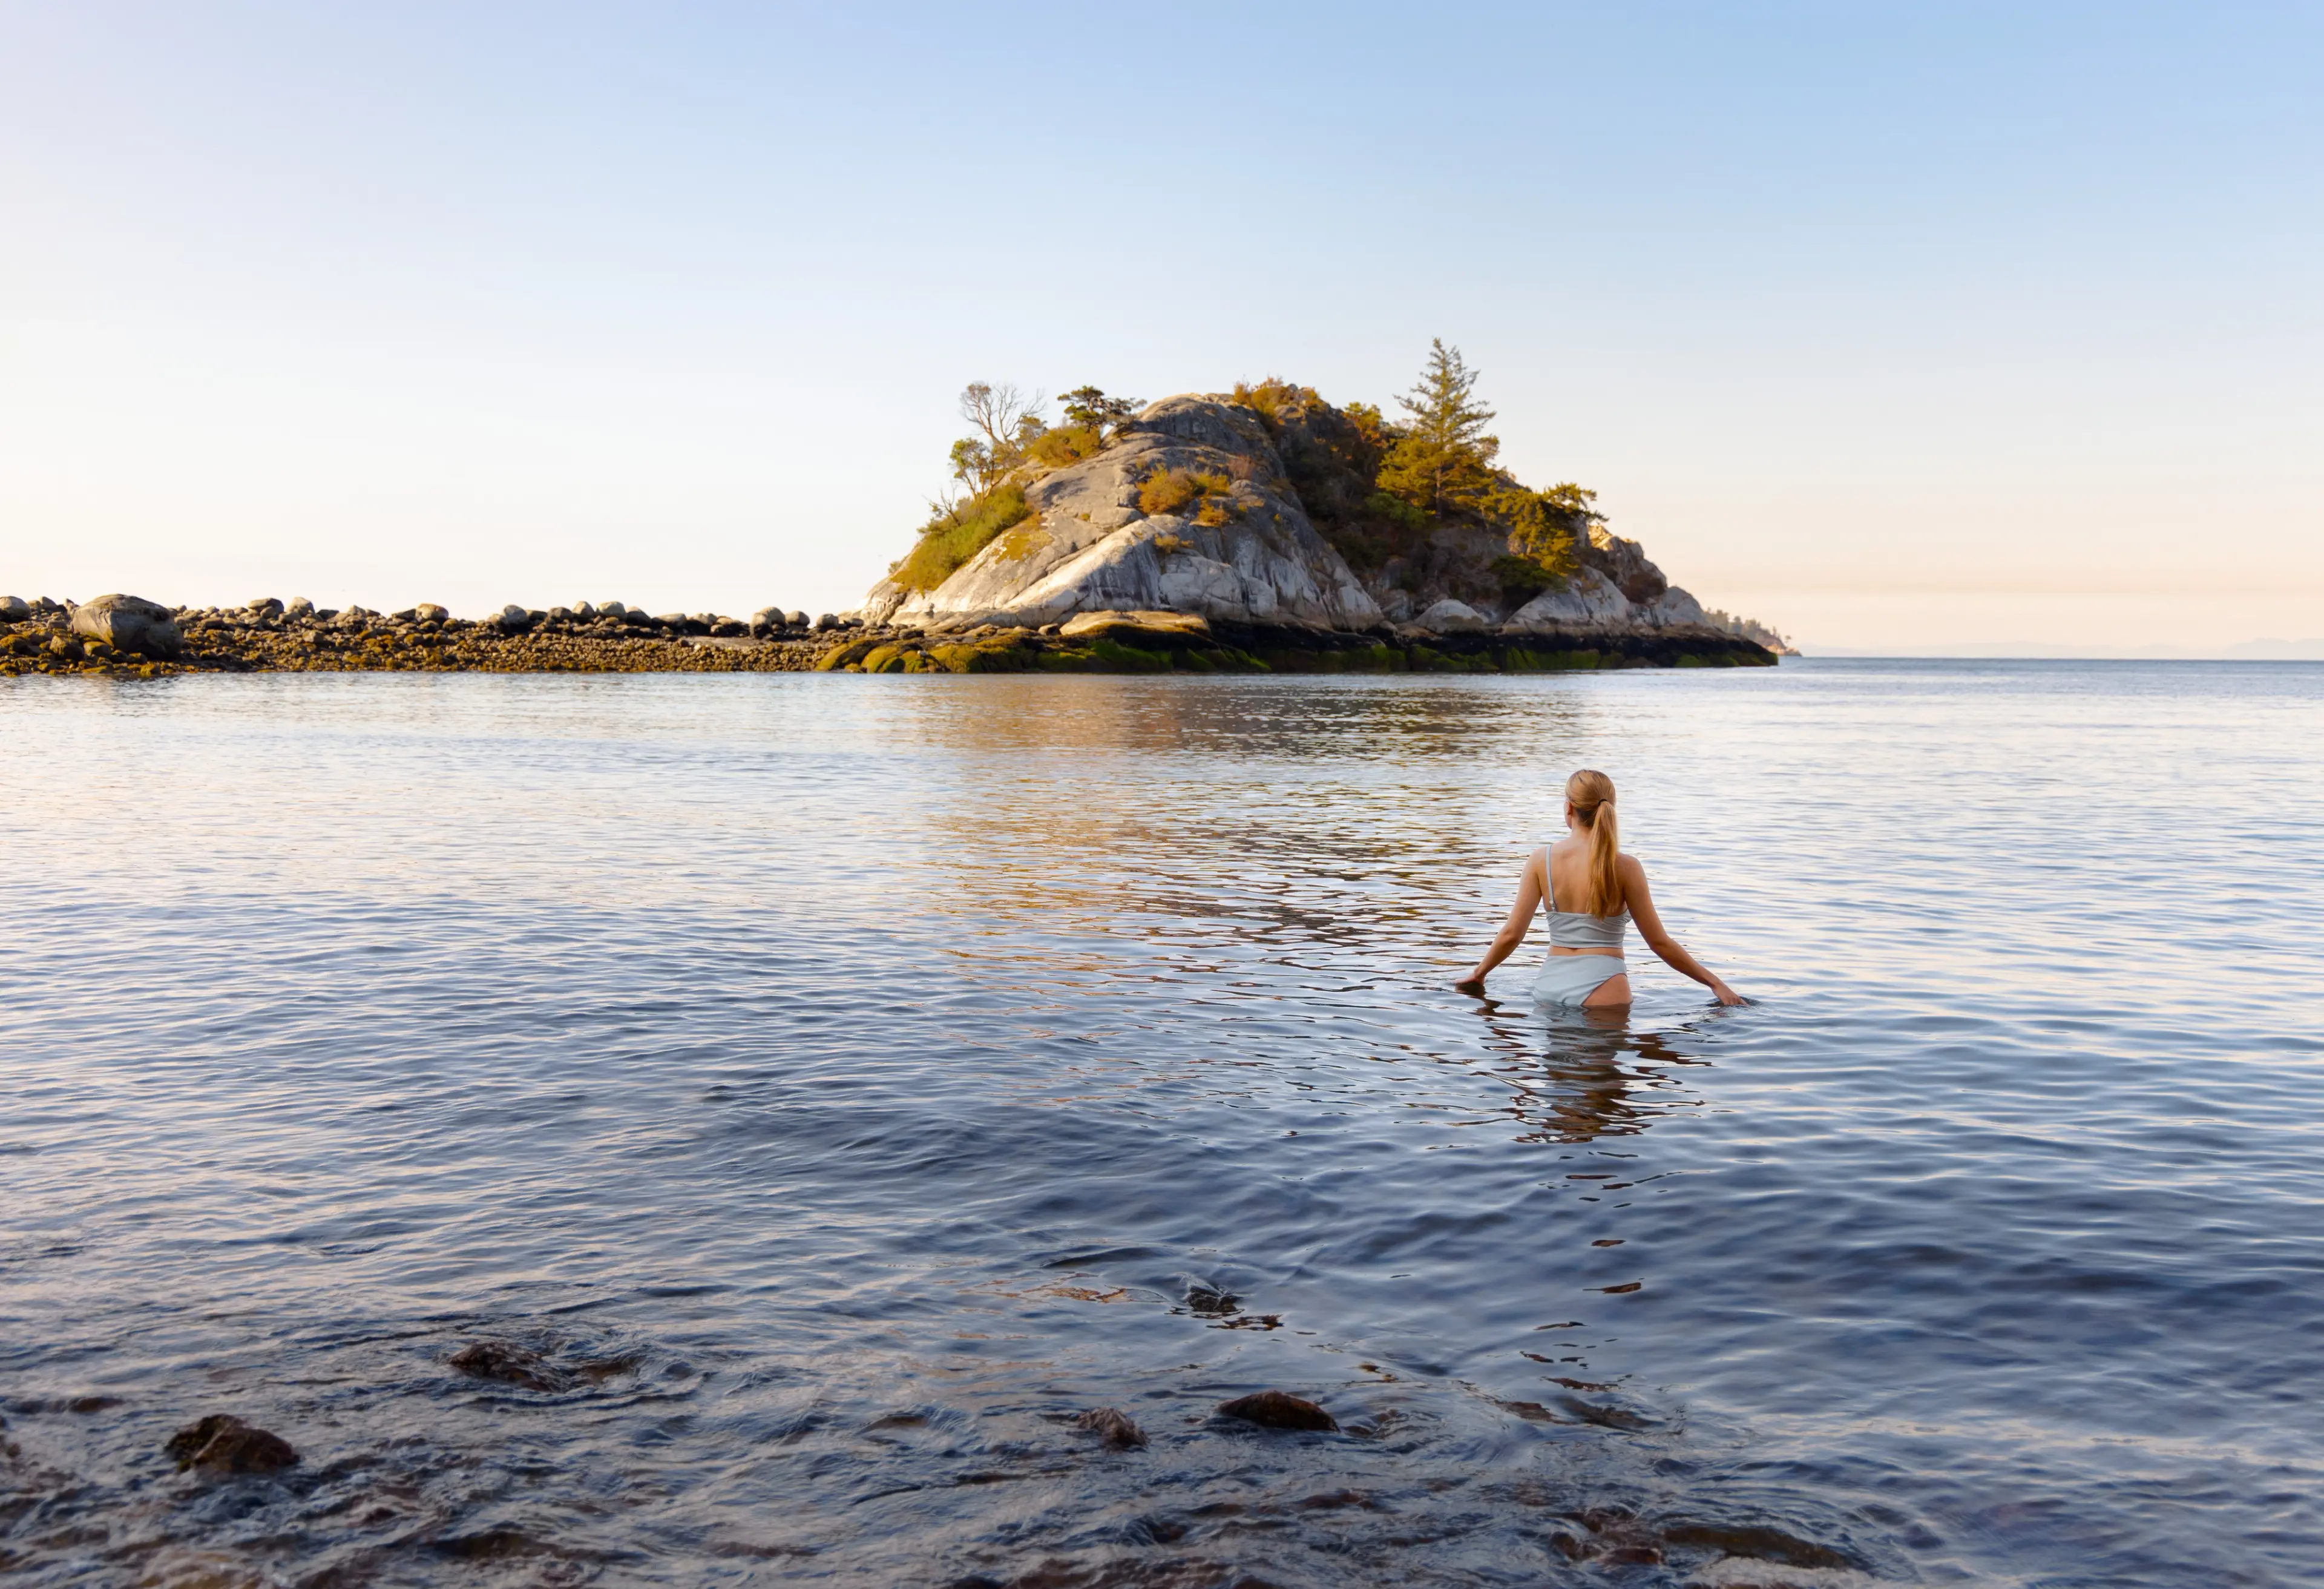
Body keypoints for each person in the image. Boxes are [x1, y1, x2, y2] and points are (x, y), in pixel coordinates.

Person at [1456, 769, 1744, 1008]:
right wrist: (1715, 983)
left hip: (1550, 985)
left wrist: (1479, 974)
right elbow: (1660, 943)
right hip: (1605, 987)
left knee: (1558, 1076)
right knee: (1603, 1074)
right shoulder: (1627, 867)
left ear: (1569, 807)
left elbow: (1511, 934)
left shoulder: (1539, 861)